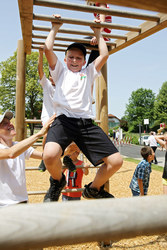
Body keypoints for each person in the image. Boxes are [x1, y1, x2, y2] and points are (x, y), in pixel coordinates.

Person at [43, 14, 123, 203]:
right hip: (63, 121)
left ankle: (93, 189)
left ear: (83, 60)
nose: (74, 60)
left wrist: (97, 32)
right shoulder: (60, 71)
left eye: (79, 58)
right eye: (71, 57)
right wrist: (55, 27)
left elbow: (104, 54)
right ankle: (57, 181)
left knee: (116, 161)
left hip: (86, 124)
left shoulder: (88, 73)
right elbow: (47, 49)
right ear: (65, 58)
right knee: (49, 155)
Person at [0, 110, 56, 207]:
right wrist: (40, 134)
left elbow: (45, 156)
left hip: (23, 202)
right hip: (4, 206)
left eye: (10, 122)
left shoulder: (18, 146)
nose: (11, 124)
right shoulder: (11, 149)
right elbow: (11, 153)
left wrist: (65, 151)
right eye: (5, 124)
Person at [86, 1, 112, 103]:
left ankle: (90, 95)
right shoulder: (96, 7)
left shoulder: (101, 4)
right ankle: (89, 94)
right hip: (101, 37)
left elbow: (102, 22)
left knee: (90, 68)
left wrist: (96, 35)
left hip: (103, 38)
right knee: (89, 66)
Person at [37, 45, 56, 172]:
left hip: (59, 116)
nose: (53, 78)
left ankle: (68, 158)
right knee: (47, 135)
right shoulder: (47, 84)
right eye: (51, 75)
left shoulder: (63, 86)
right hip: (48, 116)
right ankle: (44, 158)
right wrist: (40, 53)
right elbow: (40, 69)